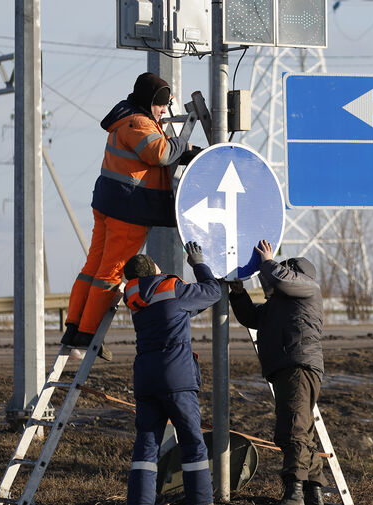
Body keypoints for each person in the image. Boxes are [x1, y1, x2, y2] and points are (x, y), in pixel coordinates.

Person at [61, 72, 202, 359]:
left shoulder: (127, 118)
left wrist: (191, 153)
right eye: (162, 104)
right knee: (110, 273)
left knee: (93, 267)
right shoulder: (138, 122)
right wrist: (184, 147)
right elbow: (159, 154)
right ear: (150, 101)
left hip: (110, 205)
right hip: (128, 210)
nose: (165, 111)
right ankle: (88, 335)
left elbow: (157, 152)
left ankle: (73, 328)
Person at [227, 239, 327, 505]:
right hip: (289, 367)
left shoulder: (308, 288)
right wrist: (238, 294)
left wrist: (268, 261)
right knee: (302, 431)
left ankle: (294, 491)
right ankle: (313, 490)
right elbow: (253, 318)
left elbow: (281, 279)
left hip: (298, 366)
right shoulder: (280, 304)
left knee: (292, 430)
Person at [123, 241, 220, 505]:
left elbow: (177, 310)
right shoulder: (172, 289)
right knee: (192, 443)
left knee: (146, 446)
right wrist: (199, 265)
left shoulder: (133, 298)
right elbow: (213, 292)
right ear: (154, 269)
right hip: (176, 378)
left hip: (145, 379)